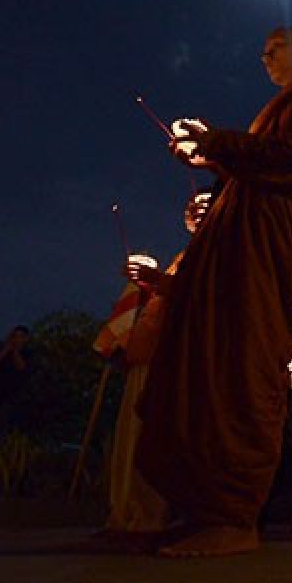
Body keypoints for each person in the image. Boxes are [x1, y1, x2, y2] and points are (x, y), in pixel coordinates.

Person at [136, 25, 292, 556]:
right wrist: (214, 160)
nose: (264, 55)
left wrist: (219, 144)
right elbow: (262, 163)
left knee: (243, 367)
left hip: (266, 253)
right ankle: (206, 506)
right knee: (212, 368)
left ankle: (233, 515)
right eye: (262, 49)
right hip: (240, 257)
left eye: (277, 46)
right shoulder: (276, 111)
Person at [106, 189, 212, 541]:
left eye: (205, 206)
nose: (195, 211)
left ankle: (155, 516)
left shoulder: (220, 252)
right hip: (152, 352)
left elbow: (205, 298)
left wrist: (159, 282)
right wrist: (150, 285)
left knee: (162, 436)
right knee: (136, 435)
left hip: (181, 358)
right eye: (190, 207)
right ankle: (130, 512)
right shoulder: (185, 255)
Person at [0, 326, 32, 407]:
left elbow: (22, 367)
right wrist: (6, 349)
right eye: (15, 336)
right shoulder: (4, 349)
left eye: (20, 336)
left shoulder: (28, 352)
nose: (17, 339)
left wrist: (14, 350)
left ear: (26, 338)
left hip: (18, 396)